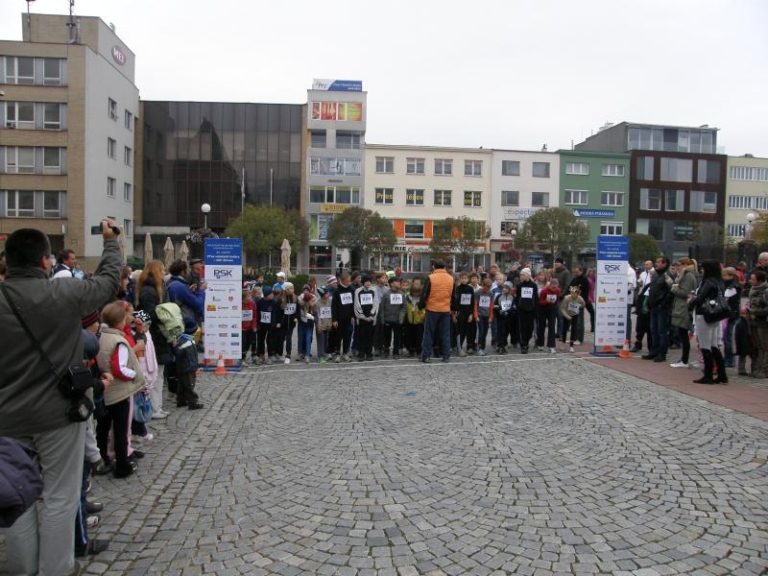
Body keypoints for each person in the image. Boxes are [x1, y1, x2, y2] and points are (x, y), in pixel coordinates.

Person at [0, 222, 121, 575]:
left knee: (16, 494)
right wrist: (111, 242)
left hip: (8, 417)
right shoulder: (63, 292)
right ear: (44, 261)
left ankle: (22, 568)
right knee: (60, 495)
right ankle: (55, 568)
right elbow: (107, 283)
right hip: (58, 413)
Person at [136, 260, 172, 419]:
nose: (164, 273)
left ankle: (157, 406)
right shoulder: (149, 291)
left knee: (159, 373)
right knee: (155, 373)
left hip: (156, 334)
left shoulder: (150, 288)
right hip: (154, 335)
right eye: (162, 270)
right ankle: (154, 408)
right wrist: (165, 315)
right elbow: (148, 314)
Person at [689, 261, 728, 384]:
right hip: (716, 314)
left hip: (704, 313)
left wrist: (691, 303)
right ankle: (722, 374)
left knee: (705, 346)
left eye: (703, 268)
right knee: (714, 345)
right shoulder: (719, 281)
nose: (702, 270)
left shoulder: (708, 282)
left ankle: (708, 375)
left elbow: (700, 298)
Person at [419, 260, 455, 363]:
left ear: (434, 267)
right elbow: (453, 295)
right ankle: (446, 356)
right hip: (445, 309)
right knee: (445, 334)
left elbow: (425, 293)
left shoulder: (431, 277)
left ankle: (426, 356)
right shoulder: (451, 278)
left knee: (429, 333)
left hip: (432, 309)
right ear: (444, 267)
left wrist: (421, 306)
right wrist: (453, 308)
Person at [643, 257, 673, 363]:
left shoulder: (667, 275)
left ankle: (662, 353)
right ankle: (654, 351)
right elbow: (652, 289)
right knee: (653, 330)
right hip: (653, 306)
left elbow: (671, 291)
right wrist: (649, 302)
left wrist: (663, 303)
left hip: (662, 307)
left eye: (658, 262)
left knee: (661, 331)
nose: (656, 264)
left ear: (664, 264)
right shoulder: (655, 274)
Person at [669, 258, 697, 368]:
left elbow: (686, 292)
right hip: (681, 307)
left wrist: (674, 288)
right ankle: (683, 359)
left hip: (684, 307)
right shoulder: (684, 275)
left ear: (686, 265)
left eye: (679, 265)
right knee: (682, 333)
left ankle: (684, 360)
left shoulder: (688, 276)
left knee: (684, 334)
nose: (677, 267)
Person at [173, 317, 204, 409]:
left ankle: (181, 400)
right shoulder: (185, 341)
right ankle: (193, 402)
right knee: (189, 385)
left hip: (184, 367)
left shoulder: (186, 339)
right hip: (188, 367)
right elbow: (178, 353)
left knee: (182, 384)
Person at [378, 276, 406, 357]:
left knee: (397, 337)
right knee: (387, 337)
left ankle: (395, 352)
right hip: (387, 319)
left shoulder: (401, 294)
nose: (399, 283)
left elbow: (403, 307)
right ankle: (386, 350)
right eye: (397, 282)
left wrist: (401, 317)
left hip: (398, 319)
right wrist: (382, 319)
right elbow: (382, 308)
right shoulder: (386, 294)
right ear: (392, 284)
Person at [748, 270, 768, 379]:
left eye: (753, 279)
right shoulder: (753, 289)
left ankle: (764, 370)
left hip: (763, 322)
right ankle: (757, 368)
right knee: (758, 346)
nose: (750, 281)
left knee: (765, 347)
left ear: (759, 280)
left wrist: (754, 311)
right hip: (754, 321)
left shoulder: (765, 291)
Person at [331, 272, 355, 362]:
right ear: (342, 280)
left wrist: (353, 316)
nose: (349, 282)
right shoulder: (337, 291)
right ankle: (337, 354)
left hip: (349, 318)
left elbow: (353, 304)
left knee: (347, 337)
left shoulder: (351, 290)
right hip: (339, 319)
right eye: (348, 281)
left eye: (350, 280)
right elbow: (334, 306)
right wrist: (334, 319)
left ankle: (345, 353)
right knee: (338, 337)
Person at [354, 275, 379, 361]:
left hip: (371, 318)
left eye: (369, 281)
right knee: (361, 336)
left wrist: (371, 316)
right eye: (366, 281)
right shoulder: (358, 291)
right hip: (362, 319)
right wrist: (362, 316)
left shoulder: (374, 290)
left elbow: (376, 304)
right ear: (363, 282)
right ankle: (361, 353)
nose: (368, 283)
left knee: (370, 336)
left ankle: (369, 353)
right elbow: (357, 304)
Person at [453, 272, 476, 357]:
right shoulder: (457, 289)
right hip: (460, 313)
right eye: (462, 278)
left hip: (468, 312)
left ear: (468, 279)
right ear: (460, 279)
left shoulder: (470, 289)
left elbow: (472, 302)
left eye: (466, 278)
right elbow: (455, 302)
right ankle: (459, 348)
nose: (464, 280)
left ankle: (462, 346)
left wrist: (471, 314)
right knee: (460, 331)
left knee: (466, 331)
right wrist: (455, 313)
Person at [516, 267, 538, 353]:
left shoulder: (534, 285)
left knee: (530, 328)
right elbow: (517, 298)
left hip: (531, 310)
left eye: (523, 275)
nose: (521, 276)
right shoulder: (519, 286)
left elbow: (536, 298)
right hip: (522, 310)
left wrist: (535, 310)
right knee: (522, 328)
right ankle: (523, 345)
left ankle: (526, 342)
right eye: (521, 275)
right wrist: (518, 307)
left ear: (528, 275)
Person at [537, 277, 561, 353]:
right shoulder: (544, 291)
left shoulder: (558, 291)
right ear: (550, 285)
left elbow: (557, 300)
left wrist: (555, 305)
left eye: (555, 287)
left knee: (552, 327)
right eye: (552, 287)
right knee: (541, 326)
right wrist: (546, 301)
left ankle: (551, 346)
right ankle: (540, 344)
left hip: (552, 309)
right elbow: (540, 302)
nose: (554, 289)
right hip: (543, 309)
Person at [560, 286, 585, 353]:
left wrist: (578, 306)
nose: (572, 294)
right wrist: (567, 316)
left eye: (574, 293)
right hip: (566, 314)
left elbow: (583, 305)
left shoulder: (580, 299)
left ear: (578, 294)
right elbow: (562, 308)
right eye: (571, 293)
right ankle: (563, 343)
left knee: (574, 329)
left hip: (575, 314)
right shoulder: (566, 298)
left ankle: (571, 346)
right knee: (565, 329)